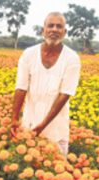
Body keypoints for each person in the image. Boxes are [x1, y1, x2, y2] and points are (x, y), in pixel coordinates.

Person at [10, 12, 81, 157]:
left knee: (57, 172)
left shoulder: (72, 58)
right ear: (43, 30)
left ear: (64, 32)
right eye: (50, 25)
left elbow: (65, 94)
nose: (54, 29)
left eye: (59, 26)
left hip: (56, 127)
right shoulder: (29, 54)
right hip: (29, 125)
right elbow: (21, 87)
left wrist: (43, 125)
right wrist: (14, 119)